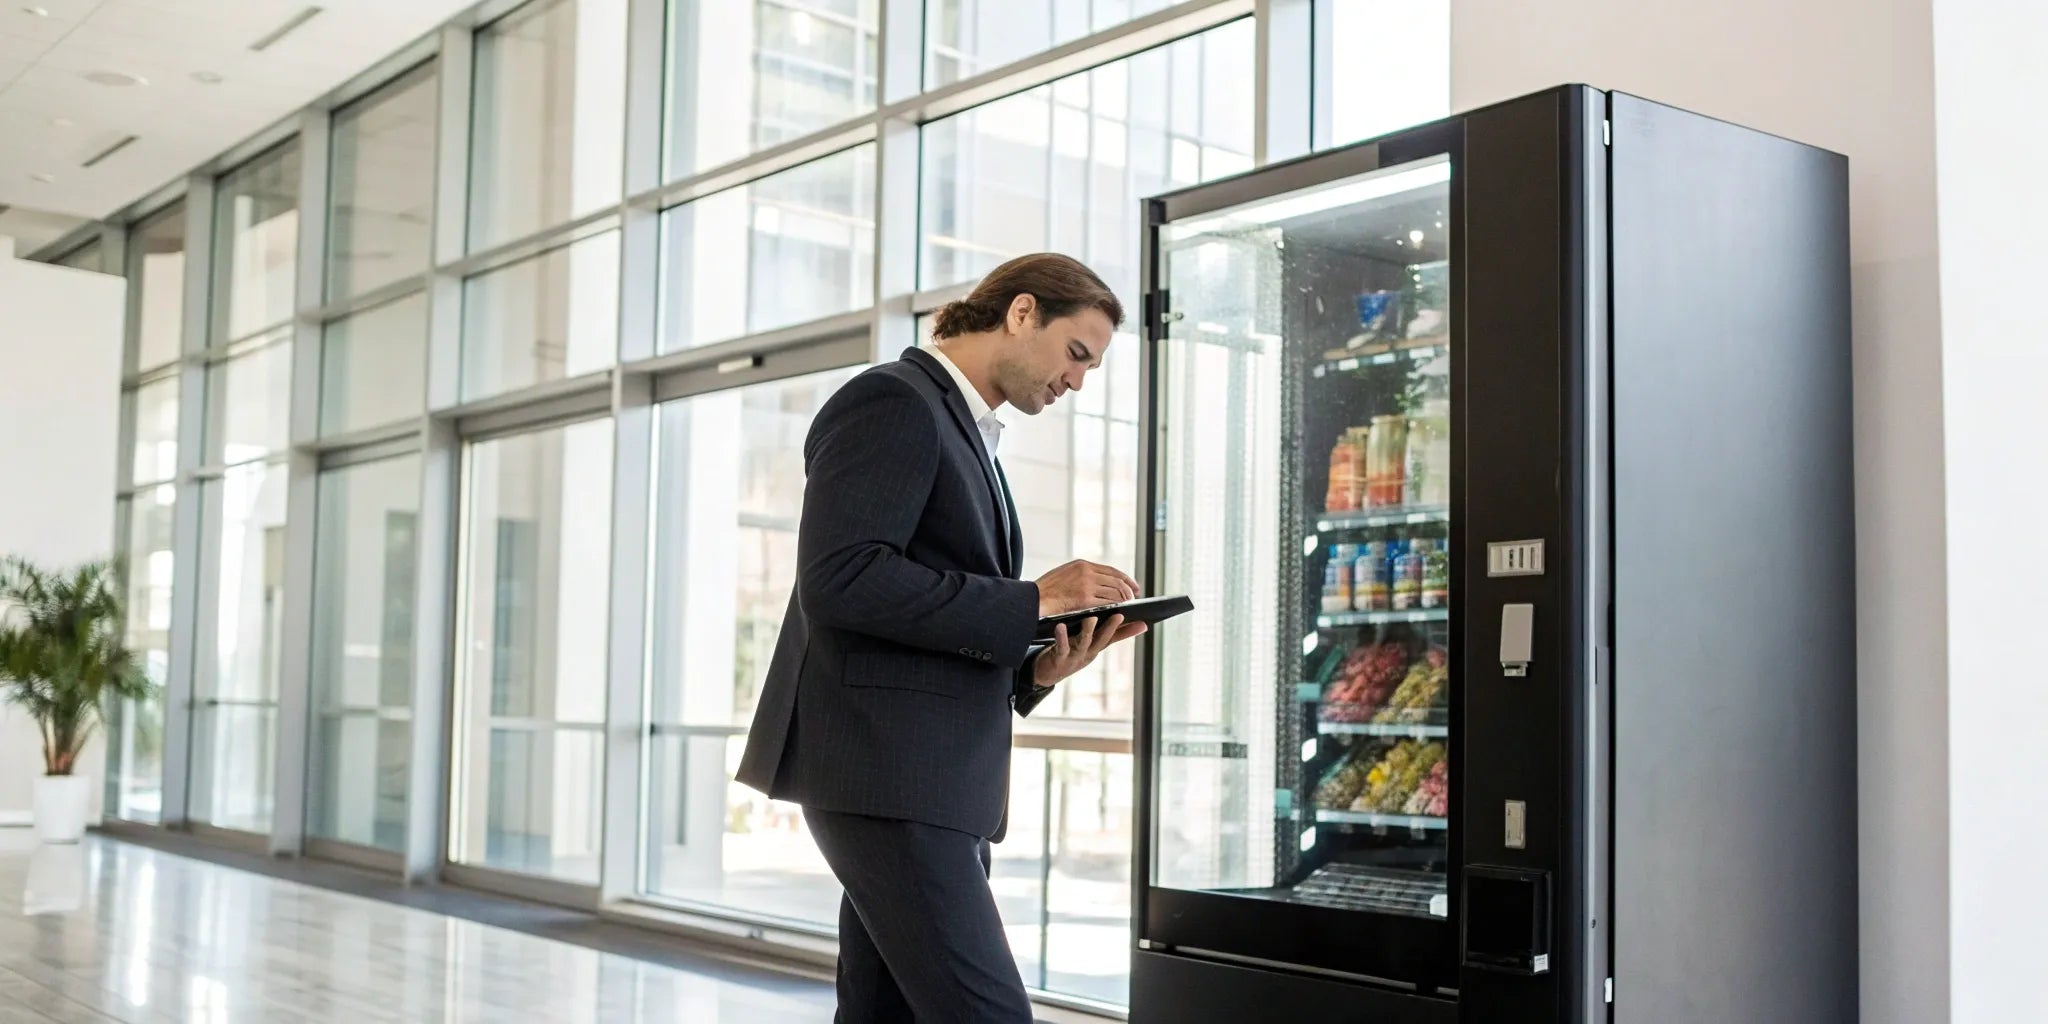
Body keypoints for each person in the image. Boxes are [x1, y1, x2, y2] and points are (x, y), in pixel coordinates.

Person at [737, 252, 1147, 1022]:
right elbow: (841, 579)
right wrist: (1031, 599)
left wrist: (1039, 666)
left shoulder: (964, 428)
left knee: (884, 1013)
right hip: (889, 775)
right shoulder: (893, 402)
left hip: (921, 776)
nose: (1078, 382)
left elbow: (916, 615)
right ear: (1022, 314)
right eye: (1077, 354)